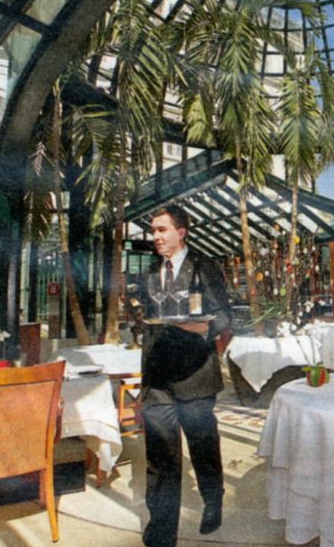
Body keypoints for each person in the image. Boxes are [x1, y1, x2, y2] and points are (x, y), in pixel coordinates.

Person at [140, 205, 232, 547]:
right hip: (158, 380)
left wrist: (204, 328)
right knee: (160, 456)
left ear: (181, 232)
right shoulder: (150, 272)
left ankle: (213, 500)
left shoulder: (204, 267)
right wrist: (144, 384)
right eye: (153, 231)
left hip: (196, 375)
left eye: (162, 230)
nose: (156, 237)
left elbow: (224, 315)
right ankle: (162, 529)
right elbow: (149, 326)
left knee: (202, 447)